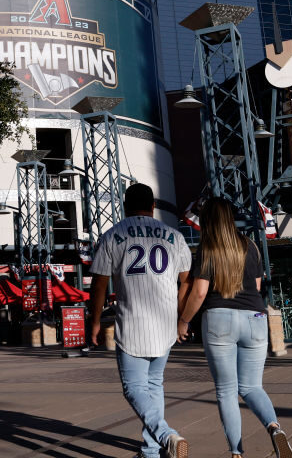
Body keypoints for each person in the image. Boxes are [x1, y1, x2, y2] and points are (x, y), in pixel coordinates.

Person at [177, 197, 292, 458]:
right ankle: (275, 428)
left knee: (227, 391)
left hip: (219, 318)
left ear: (208, 221)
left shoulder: (207, 248)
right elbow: (255, 286)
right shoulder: (250, 246)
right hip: (254, 317)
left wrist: (183, 321)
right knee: (252, 387)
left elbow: (199, 292)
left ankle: (237, 452)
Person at [88, 182, 192, 458]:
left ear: (124, 205)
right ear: (153, 206)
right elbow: (186, 281)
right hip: (165, 323)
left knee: (134, 387)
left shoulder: (112, 235)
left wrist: (95, 320)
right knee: (154, 384)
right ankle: (151, 451)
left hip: (132, 322)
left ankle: (165, 435)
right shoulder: (174, 236)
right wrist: (182, 316)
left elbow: (99, 283)